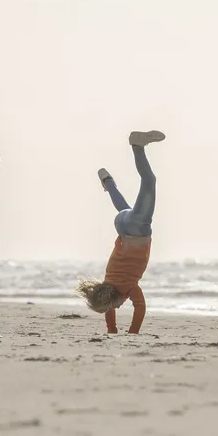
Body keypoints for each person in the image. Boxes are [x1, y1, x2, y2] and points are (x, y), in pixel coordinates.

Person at [76, 130, 165, 334]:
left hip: (138, 228)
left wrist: (132, 331)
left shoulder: (128, 288)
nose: (116, 309)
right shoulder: (108, 281)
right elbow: (109, 306)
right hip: (122, 225)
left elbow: (140, 308)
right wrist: (111, 328)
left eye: (114, 307)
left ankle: (138, 146)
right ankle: (108, 183)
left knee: (149, 181)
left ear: (114, 300)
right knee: (124, 207)